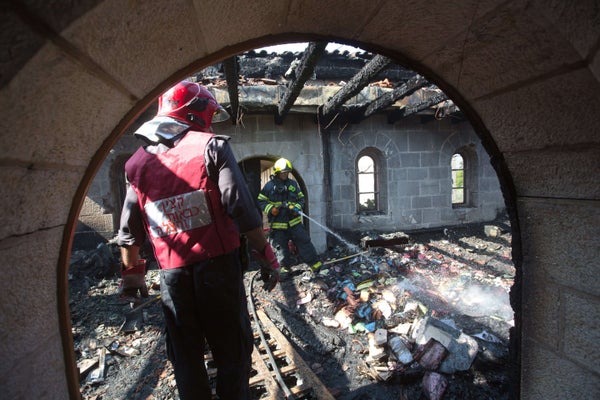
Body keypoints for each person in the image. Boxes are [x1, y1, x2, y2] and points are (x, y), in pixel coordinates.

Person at [117, 80, 280, 400]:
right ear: (193, 112)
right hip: (218, 271)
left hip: (173, 278)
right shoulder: (212, 146)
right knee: (232, 352)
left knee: (186, 357)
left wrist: (133, 274)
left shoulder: (135, 164)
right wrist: (266, 256)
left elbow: (129, 230)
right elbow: (243, 210)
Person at [257, 158, 322, 274]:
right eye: (283, 172)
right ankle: (283, 269)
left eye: (287, 172)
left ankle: (314, 264)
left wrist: (297, 208)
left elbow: (301, 198)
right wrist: (271, 209)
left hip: (294, 223)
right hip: (278, 225)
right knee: (281, 248)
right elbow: (261, 201)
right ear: (277, 173)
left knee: (304, 242)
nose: (285, 174)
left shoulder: (293, 185)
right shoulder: (269, 187)